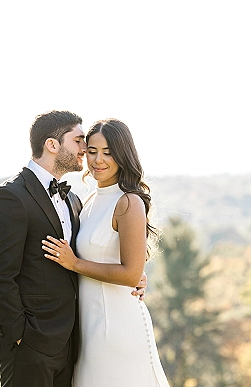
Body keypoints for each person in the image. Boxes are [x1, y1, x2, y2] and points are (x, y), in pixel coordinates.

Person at [0, 111, 147, 387]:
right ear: (52, 145)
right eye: (79, 141)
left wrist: (134, 274)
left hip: (73, 343)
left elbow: (89, 252)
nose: (85, 149)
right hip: (30, 346)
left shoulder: (73, 199)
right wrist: (21, 336)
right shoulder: (11, 197)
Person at [42, 119, 170, 386]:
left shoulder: (128, 202)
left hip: (119, 326)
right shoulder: (86, 201)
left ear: (123, 155)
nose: (98, 160)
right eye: (92, 151)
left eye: (108, 153)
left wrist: (74, 263)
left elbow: (132, 273)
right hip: (88, 329)